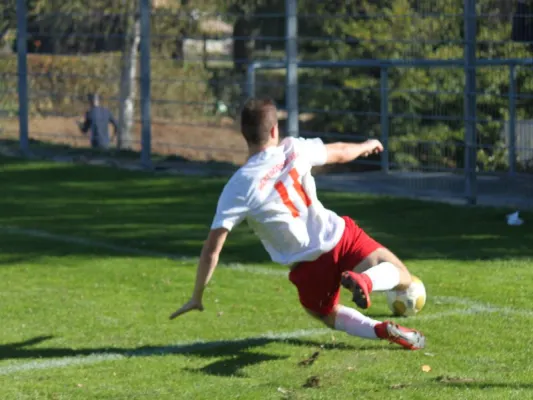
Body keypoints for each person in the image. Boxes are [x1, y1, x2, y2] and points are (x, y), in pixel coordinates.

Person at [169, 98, 425, 350]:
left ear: (243, 133)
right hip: (339, 236)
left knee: (327, 313)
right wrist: (365, 145)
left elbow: (212, 249)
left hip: (308, 265)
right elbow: (339, 152)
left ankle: (378, 329)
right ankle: (367, 281)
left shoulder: (238, 185)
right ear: (274, 130)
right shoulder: (293, 148)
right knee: (400, 274)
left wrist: (197, 295)